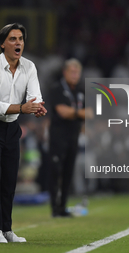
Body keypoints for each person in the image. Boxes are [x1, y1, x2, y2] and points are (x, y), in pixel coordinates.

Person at [0, 23, 47, 243]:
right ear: (3, 43)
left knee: (8, 181)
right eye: (13, 39)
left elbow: (34, 96)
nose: (18, 43)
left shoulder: (29, 67)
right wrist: (23, 108)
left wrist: (38, 106)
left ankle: (7, 229)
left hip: (12, 127)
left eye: (21, 39)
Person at [48, 58, 93, 217]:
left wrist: (72, 112)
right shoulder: (57, 89)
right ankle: (54, 207)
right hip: (58, 137)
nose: (75, 75)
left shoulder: (80, 91)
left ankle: (63, 206)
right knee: (55, 171)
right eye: (72, 72)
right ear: (65, 72)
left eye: (77, 72)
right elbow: (62, 112)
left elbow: (90, 113)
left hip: (73, 137)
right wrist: (78, 113)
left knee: (68, 172)